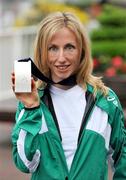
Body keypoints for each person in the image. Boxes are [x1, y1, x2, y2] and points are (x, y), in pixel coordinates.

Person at [11, 11, 126, 180]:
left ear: (82, 51)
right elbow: (25, 164)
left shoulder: (105, 100)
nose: (61, 58)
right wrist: (31, 107)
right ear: (42, 52)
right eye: (53, 48)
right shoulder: (33, 101)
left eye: (69, 47)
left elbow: (122, 161)